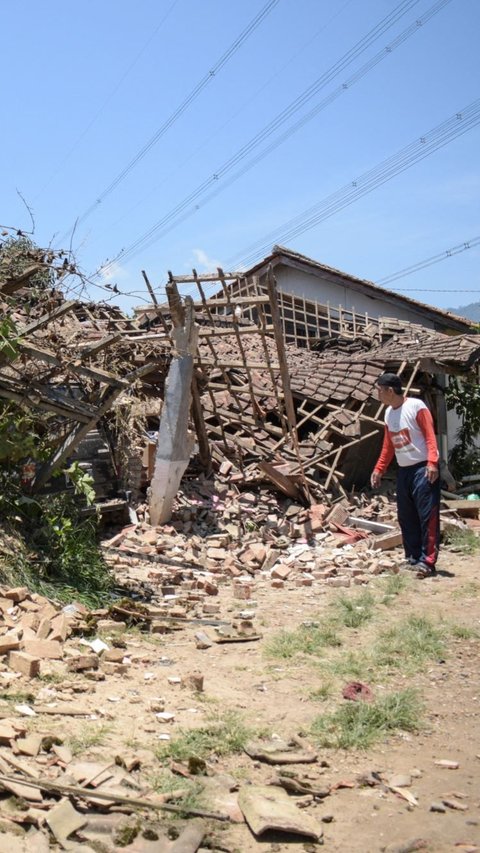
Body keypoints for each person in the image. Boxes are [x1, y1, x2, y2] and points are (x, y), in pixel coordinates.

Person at [371, 373, 440, 578]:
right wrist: (379, 468)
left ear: (390, 391)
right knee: (406, 516)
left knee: (427, 516)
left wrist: (432, 463)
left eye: (379, 389)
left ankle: (427, 562)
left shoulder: (416, 407)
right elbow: (388, 445)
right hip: (405, 471)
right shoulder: (388, 414)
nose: (378, 393)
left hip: (422, 468)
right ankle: (412, 557)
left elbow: (430, 435)